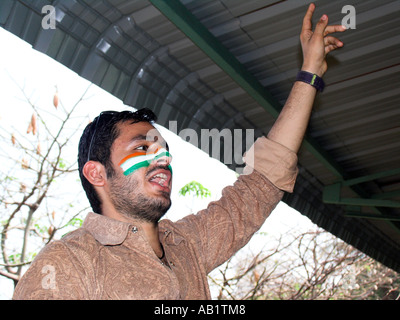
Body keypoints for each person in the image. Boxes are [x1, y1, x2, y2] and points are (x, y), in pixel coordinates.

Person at [13, 4, 346, 299]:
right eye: (142, 147)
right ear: (97, 172)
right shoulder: (68, 262)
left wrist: (310, 73)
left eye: (163, 149)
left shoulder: (188, 245)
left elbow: (264, 181)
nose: (162, 158)